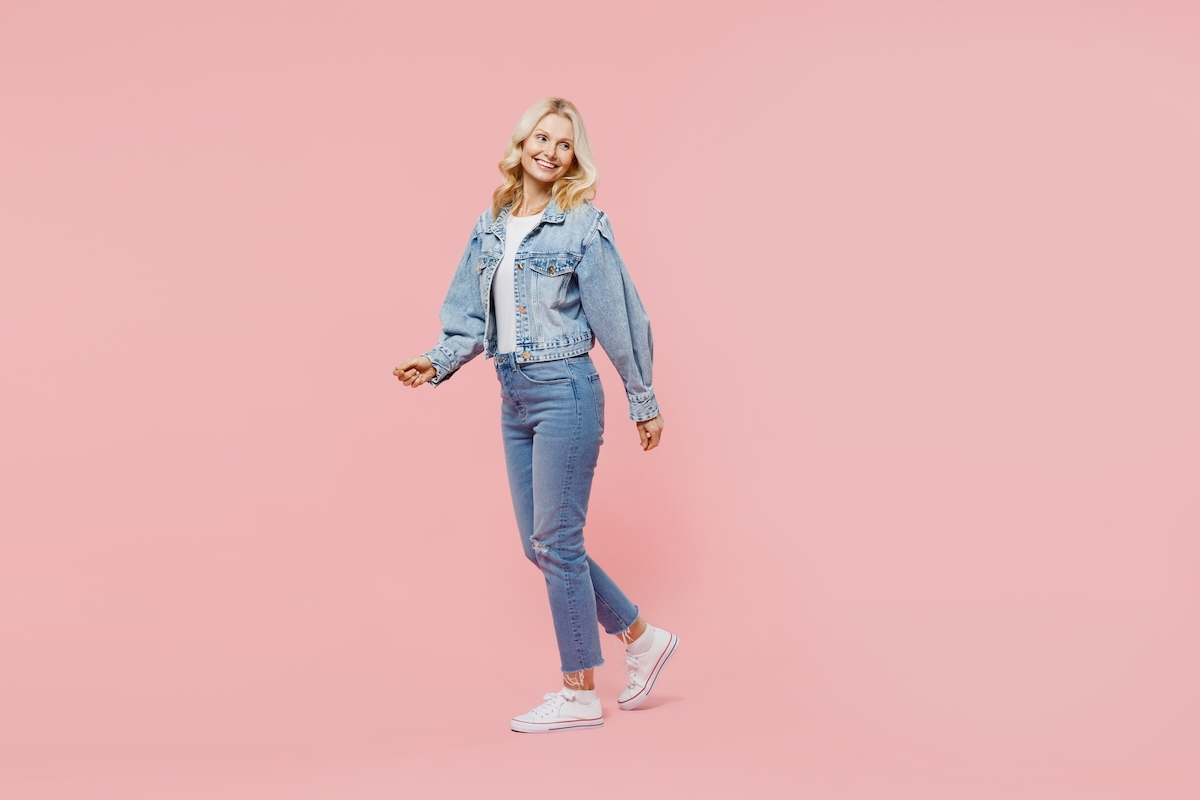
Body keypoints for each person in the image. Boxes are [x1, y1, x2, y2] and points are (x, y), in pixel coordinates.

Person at [393, 98, 678, 733]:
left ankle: (578, 691)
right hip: (513, 394)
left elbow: (618, 315)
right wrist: (436, 360)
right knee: (540, 544)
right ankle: (642, 637)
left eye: (565, 144)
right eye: (541, 138)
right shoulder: (490, 224)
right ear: (520, 144)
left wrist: (643, 398)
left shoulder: (582, 224)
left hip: (567, 390)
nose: (550, 151)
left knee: (556, 542)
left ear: (575, 158)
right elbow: (467, 317)